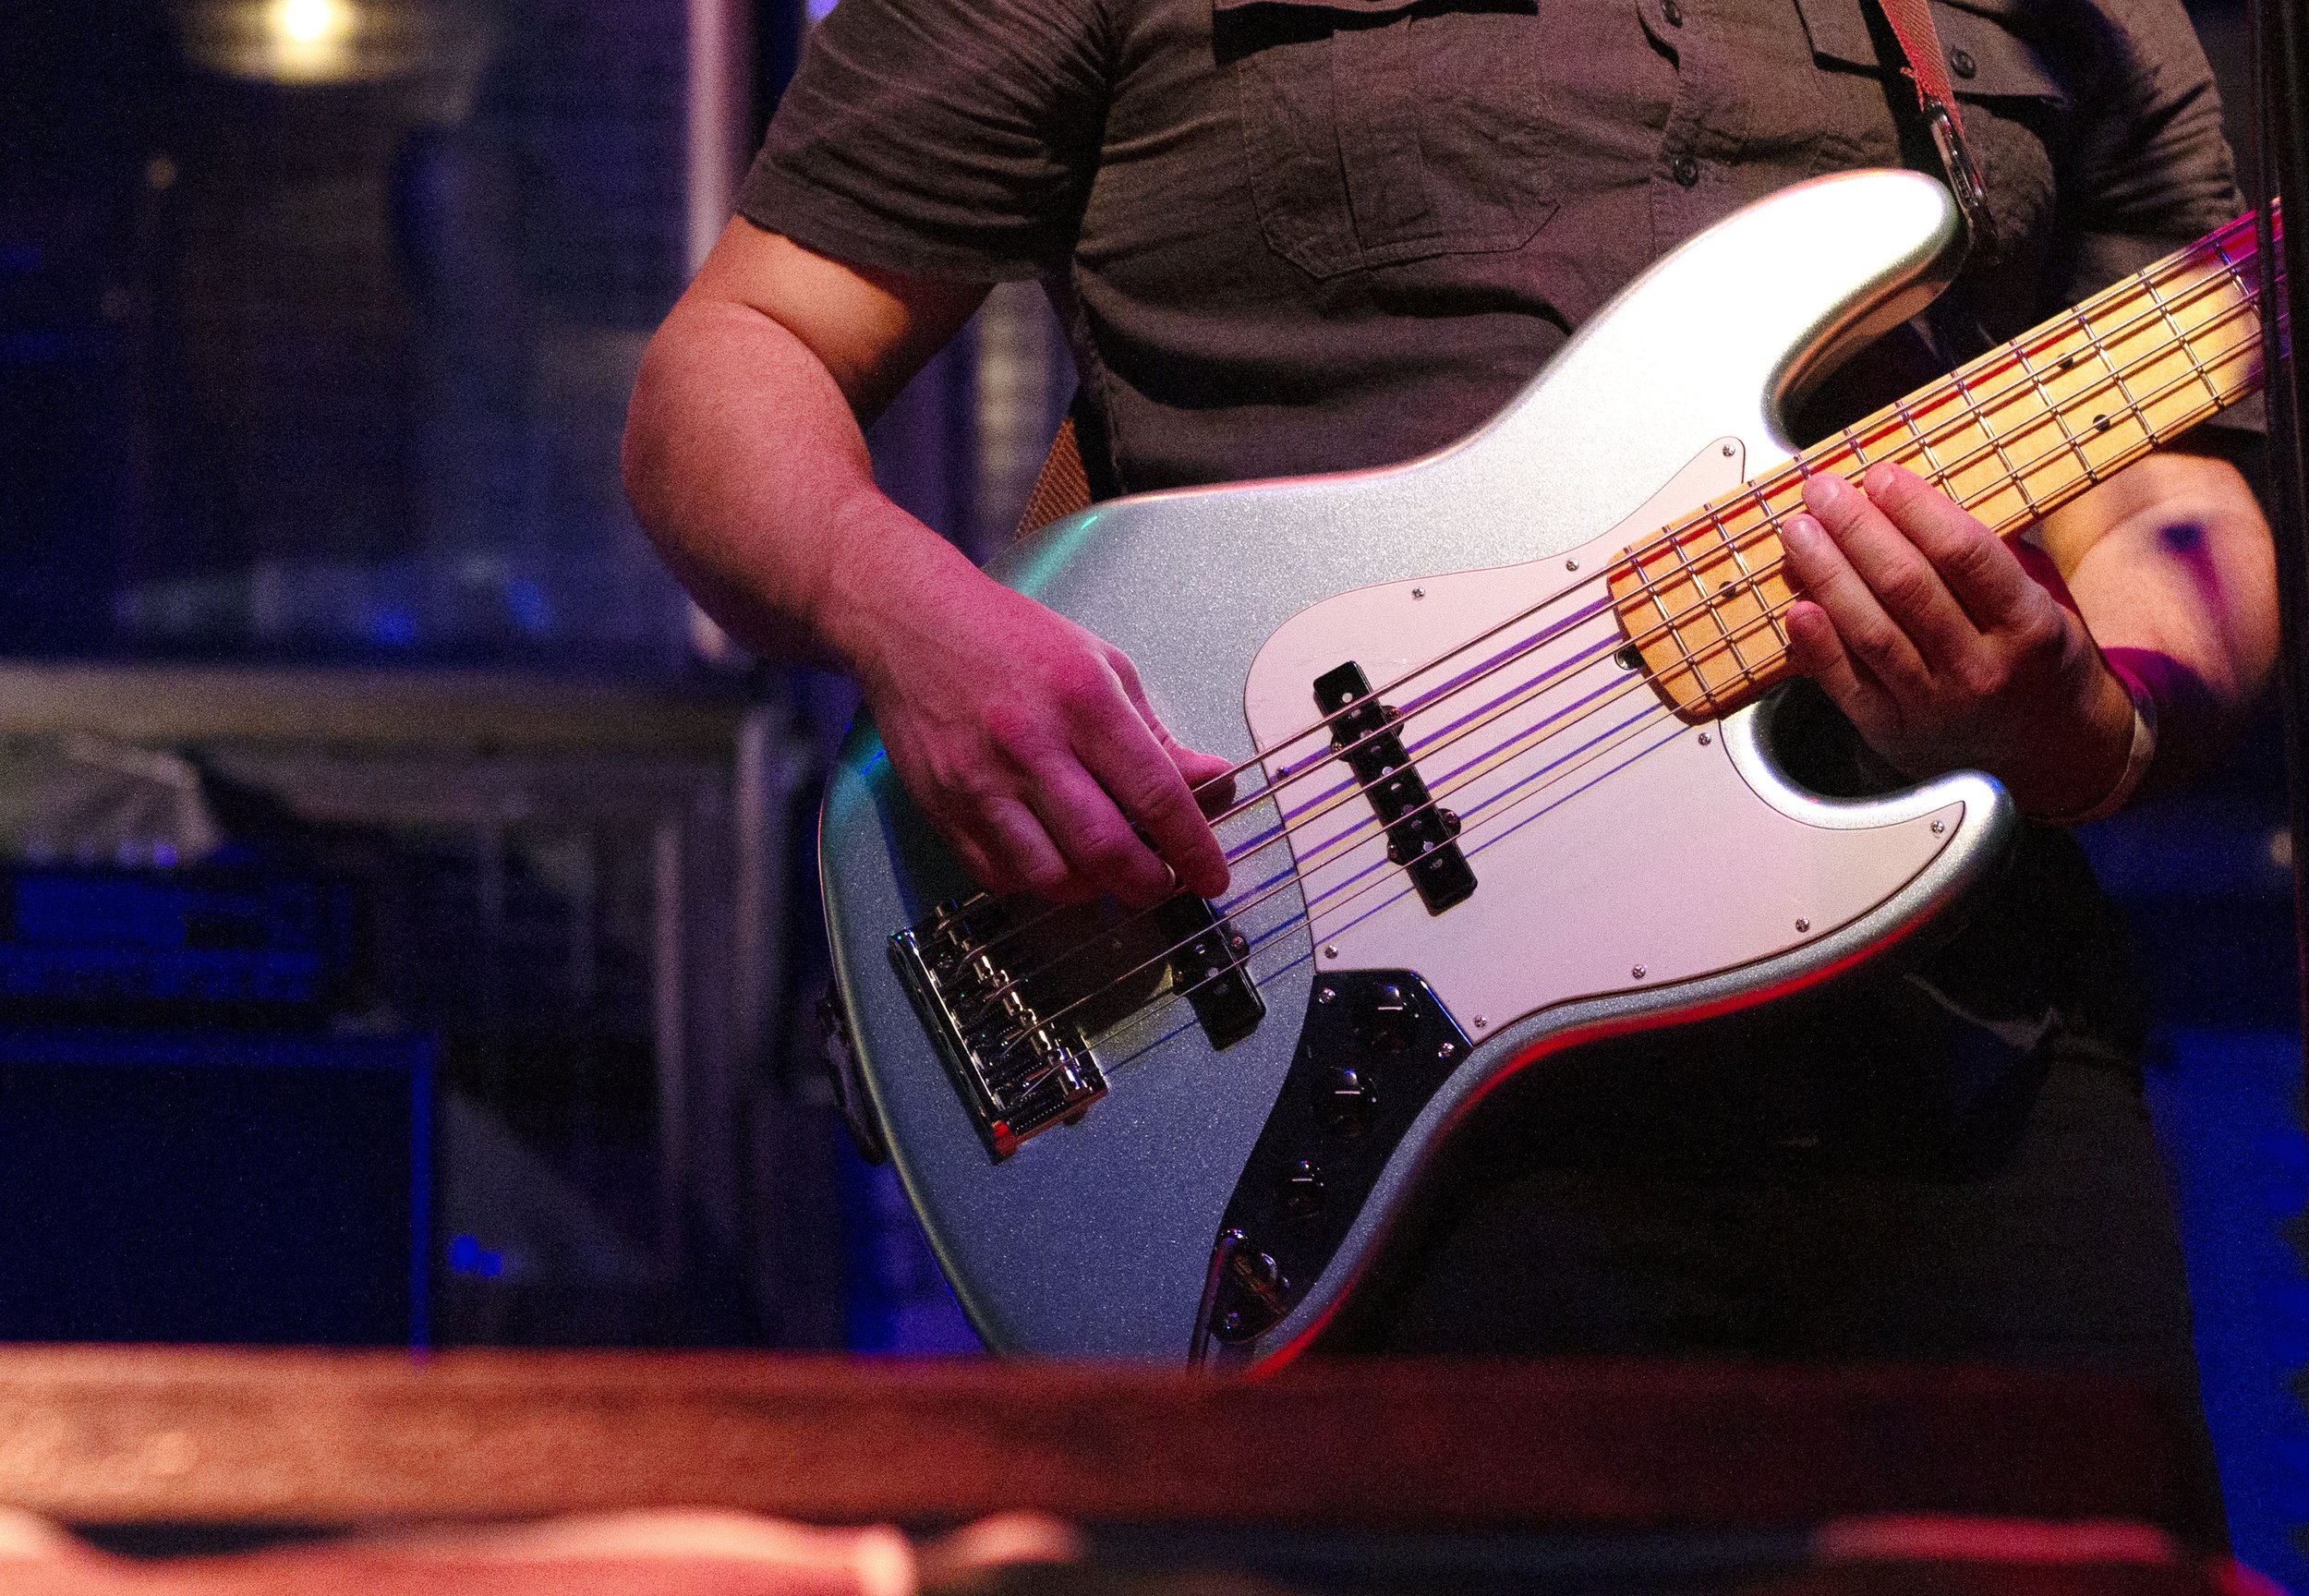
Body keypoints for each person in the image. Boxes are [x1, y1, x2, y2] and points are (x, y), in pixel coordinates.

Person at [622, 0, 2274, 1423]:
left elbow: (2153, 483)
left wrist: (2089, 721)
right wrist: (906, 614)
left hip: (1950, 1059)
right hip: (1326, 1056)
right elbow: (742, 354)